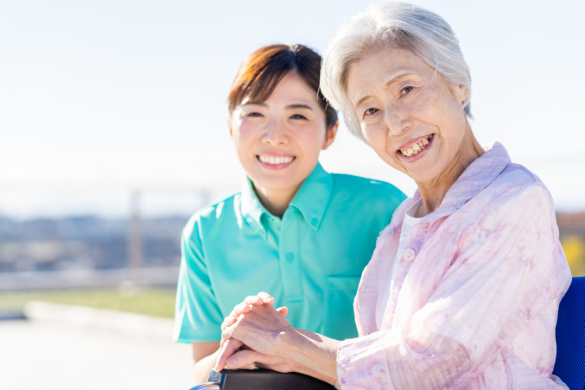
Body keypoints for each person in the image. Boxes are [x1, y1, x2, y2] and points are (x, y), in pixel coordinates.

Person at [214, 3, 572, 389]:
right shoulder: (404, 221)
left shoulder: (514, 201)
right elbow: (383, 358)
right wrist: (269, 338)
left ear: (458, 83)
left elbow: (431, 362)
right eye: (370, 110)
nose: (395, 123)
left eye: (407, 88)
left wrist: (286, 343)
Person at [173, 43, 406, 383]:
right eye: (254, 114)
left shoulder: (383, 208)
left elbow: (412, 348)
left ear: (330, 131)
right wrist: (233, 342)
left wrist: (288, 345)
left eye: (297, 115)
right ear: (230, 127)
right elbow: (199, 370)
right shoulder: (204, 232)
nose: (274, 137)